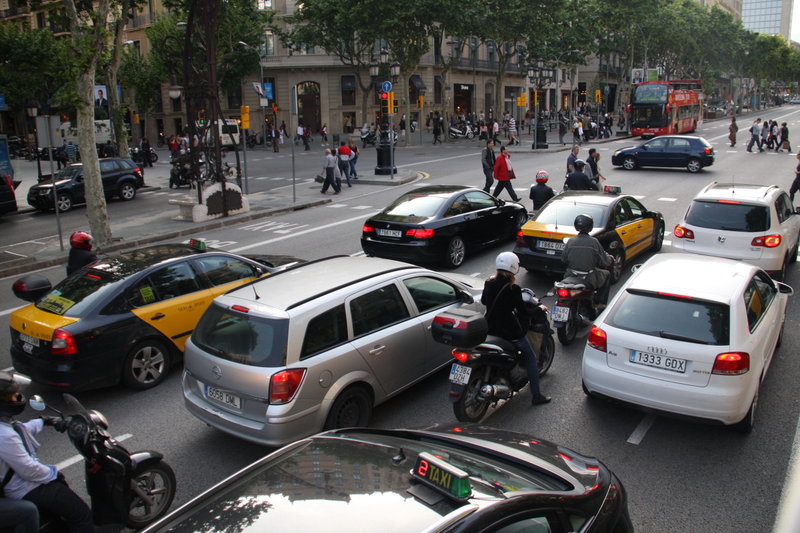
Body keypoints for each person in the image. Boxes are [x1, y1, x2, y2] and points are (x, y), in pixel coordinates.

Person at [0, 371, 94, 533]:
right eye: (13, 395)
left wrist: (45, 421)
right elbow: (28, 469)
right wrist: (53, 474)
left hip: (25, 484)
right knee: (82, 515)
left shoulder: (5, 427)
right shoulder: (4, 436)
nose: (17, 397)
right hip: (27, 488)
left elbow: (20, 430)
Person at [482, 252, 551, 406]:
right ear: (514, 267)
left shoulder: (489, 283)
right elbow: (523, 312)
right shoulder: (513, 288)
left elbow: (484, 301)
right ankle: (536, 395)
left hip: (490, 328)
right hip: (510, 333)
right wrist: (539, 308)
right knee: (531, 358)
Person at [562, 214, 613, 306]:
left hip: (570, 276)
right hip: (589, 277)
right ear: (590, 226)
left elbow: (564, 259)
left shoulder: (570, 241)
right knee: (607, 274)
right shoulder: (594, 242)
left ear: (576, 226)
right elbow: (605, 261)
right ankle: (600, 303)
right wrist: (611, 259)